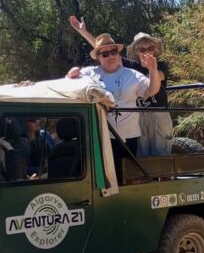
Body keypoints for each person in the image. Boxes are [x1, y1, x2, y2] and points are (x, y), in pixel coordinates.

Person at [69, 17, 174, 156]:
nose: (146, 51)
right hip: (139, 114)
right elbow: (105, 51)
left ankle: (164, 177)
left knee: (161, 151)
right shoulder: (132, 67)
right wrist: (84, 33)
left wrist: (152, 68)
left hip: (158, 112)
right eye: (142, 49)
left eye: (150, 48)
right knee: (142, 154)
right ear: (136, 51)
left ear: (155, 50)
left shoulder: (160, 65)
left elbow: (157, 81)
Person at [66, 33, 161, 180]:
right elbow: (69, 82)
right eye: (105, 53)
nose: (111, 56)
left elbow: (152, 90)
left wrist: (153, 70)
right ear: (98, 57)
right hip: (101, 135)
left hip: (128, 136)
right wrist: (71, 72)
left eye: (114, 52)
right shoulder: (89, 73)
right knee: (104, 177)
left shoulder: (133, 75)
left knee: (126, 177)